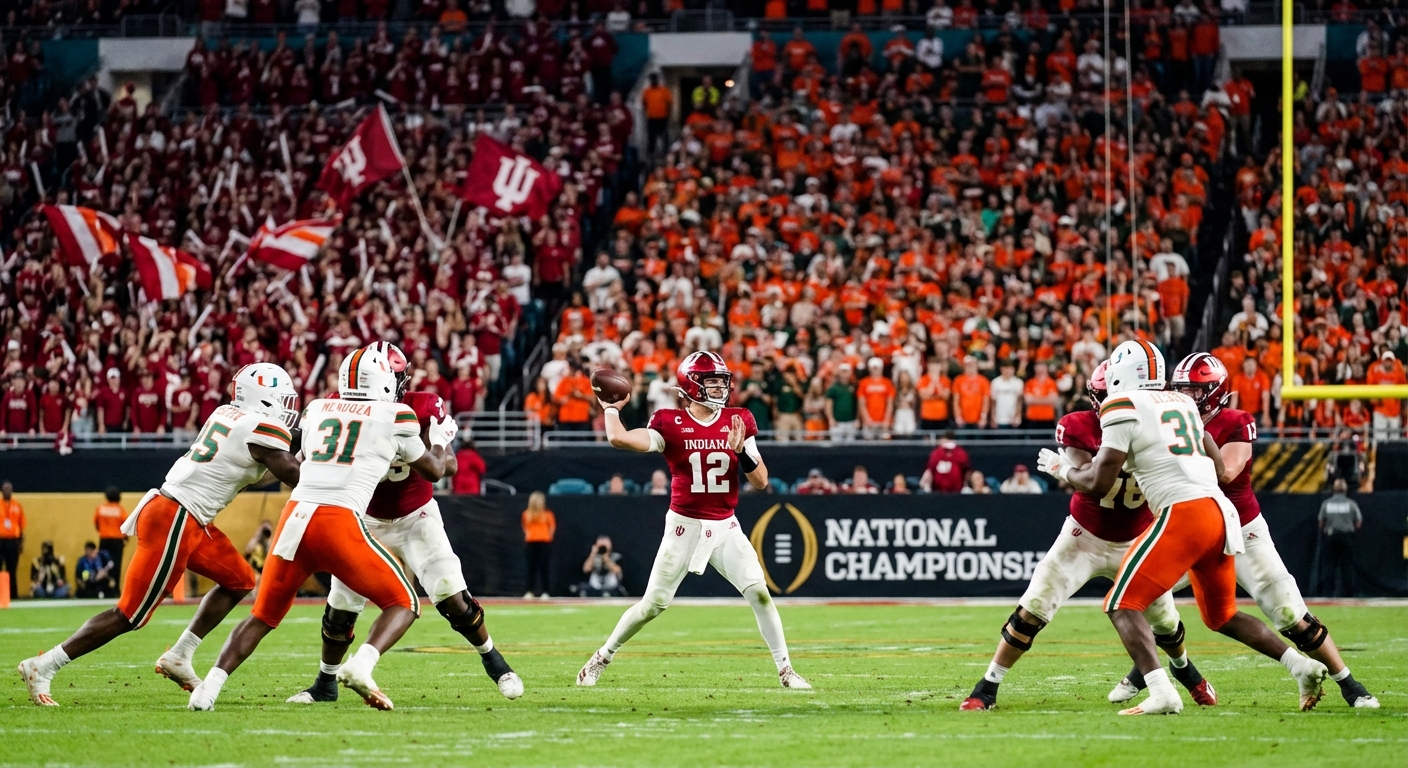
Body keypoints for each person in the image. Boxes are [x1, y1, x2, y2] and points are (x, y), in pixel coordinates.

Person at [1038, 341, 1328, 715]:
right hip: (1221, 513)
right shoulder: (1183, 403)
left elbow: (1096, 482)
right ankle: (1300, 666)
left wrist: (1062, 469)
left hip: (1184, 513)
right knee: (1221, 616)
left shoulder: (1121, 405)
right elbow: (1221, 471)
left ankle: (1161, 691)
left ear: (1121, 376)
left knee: (1120, 604)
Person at [185, 345, 455, 712]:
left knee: (262, 615)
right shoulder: (397, 415)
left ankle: (208, 689)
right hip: (337, 520)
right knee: (404, 602)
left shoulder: (317, 409)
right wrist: (440, 438)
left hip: (294, 517)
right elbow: (436, 470)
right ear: (382, 381)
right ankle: (360, 666)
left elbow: (297, 460)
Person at [18, 364, 303, 707]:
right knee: (130, 614)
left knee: (239, 579)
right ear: (264, 398)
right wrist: (327, 460)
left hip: (188, 517)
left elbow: (261, 471)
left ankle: (180, 656)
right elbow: (291, 473)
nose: (286, 407)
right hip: (176, 518)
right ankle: (43, 665)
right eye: (280, 399)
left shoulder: (228, 415)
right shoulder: (258, 426)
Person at [962, 362, 1211, 711]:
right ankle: (987, 686)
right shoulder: (1079, 426)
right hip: (1085, 537)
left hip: (1138, 539)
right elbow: (1090, 480)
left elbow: (1102, 478)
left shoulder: (1152, 425)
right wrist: (1069, 469)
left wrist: (1060, 469)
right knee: (1034, 606)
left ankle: (1187, 672)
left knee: (1166, 621)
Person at [285, 366, 522, 707]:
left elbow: (447, 466)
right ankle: (325, 683)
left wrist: (425, 449)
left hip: (415, 516)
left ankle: (494, 661)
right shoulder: (337, 406)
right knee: (340, 607)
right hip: (363, 515)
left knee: (451, 595)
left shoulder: (422, 407)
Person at [1153, 353, 1377, 707]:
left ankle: (1348, 682)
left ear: (1213, 392)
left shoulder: (1235, 421)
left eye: (1194, 390)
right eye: (1180, 389)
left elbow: (1225, 473)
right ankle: (1174, 673)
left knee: (1289, 613)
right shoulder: (1166, 421)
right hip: (1194, 529)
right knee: (1146, 594)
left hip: (1239, 529)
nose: (1186, 397)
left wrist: (1190, 440)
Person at [577, 351, 810, 689]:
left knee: (759, 592)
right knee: (652, 605)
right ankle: (602, 657)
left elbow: (761, 482)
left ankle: (786, 672)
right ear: (692, 385)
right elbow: (619, 438)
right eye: (712, 382)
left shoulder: (738, 419)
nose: (720, 388)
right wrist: (611, 409)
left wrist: (742, 449)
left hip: (726, 525)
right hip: (684, 527)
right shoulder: (669, 422)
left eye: (721, 381)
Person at [1318, 478, 1362, 600]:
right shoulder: (1351, 504)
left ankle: (1327, 594)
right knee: (1347, 566)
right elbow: (1358, 522)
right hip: (1346, 536)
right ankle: (1349, 594)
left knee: (1330, 566)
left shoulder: (1327, 504)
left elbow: (1321, 522)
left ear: (1333, 488)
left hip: (1331, 536)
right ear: (1346, 489)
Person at [522, 491, 556, 598]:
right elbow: (525, 527)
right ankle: (530, 591)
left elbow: (552, 528)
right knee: (531, 568)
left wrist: (546, 536)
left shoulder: (548, 514)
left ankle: (546, 591)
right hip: (531, 543)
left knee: (544, 567)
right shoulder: (526, 514)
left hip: (544, 543)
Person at [93, 487, 128, 589]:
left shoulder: (101, 508)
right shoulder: (120, 509)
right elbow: (126, 524)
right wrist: (125, 538)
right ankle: (115, 588)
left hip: (104, 540)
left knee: (103, 564)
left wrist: (103, 531)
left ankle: (104, 588)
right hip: (117, 541)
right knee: (116, 565)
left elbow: (96, 522)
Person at [0, 480, 23, 600]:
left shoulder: (17, 505)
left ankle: (13, 595)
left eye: (9, 489)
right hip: (0, 540)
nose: (7, 491)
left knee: (12, 569)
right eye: (5, 489)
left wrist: (21, 543)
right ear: (1, 491)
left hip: (13, 541)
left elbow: (21, 525)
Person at [825, 363, 859, 442]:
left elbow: (858, 404)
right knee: (836, 445)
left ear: (850, 372)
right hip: (837, 422)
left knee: (850, 445)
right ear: (839, 373)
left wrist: (857, 419)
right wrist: (831, 419)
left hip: (851, 421)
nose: (845, 374)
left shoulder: (854, 386)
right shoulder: (834, 388)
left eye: (846, 371)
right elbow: (828, 404)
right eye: (843, 371)